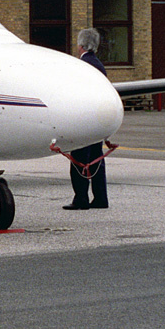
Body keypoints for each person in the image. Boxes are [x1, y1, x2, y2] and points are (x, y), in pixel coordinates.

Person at [63, 28, 110, 210]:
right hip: (98, 121)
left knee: (79, 160)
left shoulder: (82, 66)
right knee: (97, 159)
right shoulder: (99, 64)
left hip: (85, 120)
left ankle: (81, 198)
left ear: (81, 45)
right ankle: (100, 198)